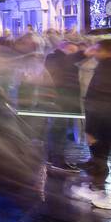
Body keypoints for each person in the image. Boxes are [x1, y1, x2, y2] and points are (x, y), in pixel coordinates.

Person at [70, 36, 111, 214]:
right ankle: (98, 189)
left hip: (104, 119)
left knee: (104, 154)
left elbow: (99, 99)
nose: (95, 51)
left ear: (107, 51)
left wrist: (91, 129)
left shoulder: (107, 68)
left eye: (98, 48)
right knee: (108, 154)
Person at [43, 38, 84, 173]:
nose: (72, 54)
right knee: (58, 130)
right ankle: (57, 160)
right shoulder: (54, 58)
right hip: (59, 100)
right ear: (63, 47)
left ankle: (52, 157)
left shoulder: (59, 59)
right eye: (71, 50)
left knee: (58, 129)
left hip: (63, 100)